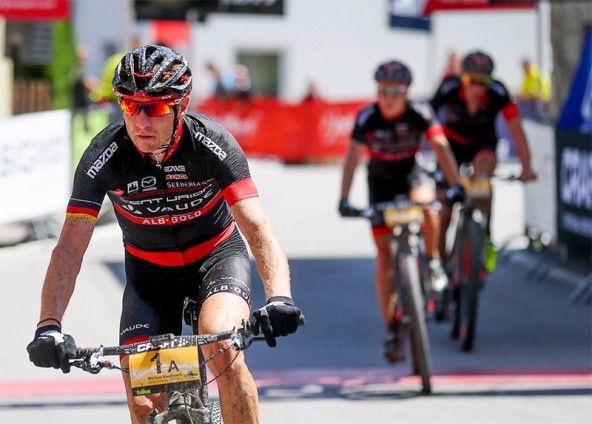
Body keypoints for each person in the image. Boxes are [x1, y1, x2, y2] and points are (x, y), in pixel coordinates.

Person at [26, 45, 304, 424]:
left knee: (221, 342)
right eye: (129, 106)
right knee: (142, 399)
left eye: (154, 108)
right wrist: (49, 326)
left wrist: (279, 299)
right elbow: (70, 247)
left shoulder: (211, 143)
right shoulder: (104, 155)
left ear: (181, 105)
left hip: (216, 257)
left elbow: (256, 225)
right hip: (149, 273)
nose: (140, 121)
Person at [338, 60, 464, 362]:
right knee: (384, 259)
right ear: (377, 90)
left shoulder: (419, 111)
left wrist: (457, 184)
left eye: (397, 91)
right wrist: (344, 198)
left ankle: (433, 264)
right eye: (384, 90)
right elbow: (352, 159)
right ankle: (392, 330)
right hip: (379, 182)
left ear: (407, 92)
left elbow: (441, 146)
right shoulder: (367, 116)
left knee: (428, 205)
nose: (390, 97)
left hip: (412, 175)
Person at [431, 50, 537, 272]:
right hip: (452, 147)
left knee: (482, 184)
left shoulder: (498, 92)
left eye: (483, 83)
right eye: (471, 81)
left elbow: (516, 130)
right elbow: (426, 121)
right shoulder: (449, 87)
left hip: (483, 145)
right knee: (445, 210)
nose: (477, 89)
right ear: (462, 78)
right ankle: (438, 265)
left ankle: (485, 237)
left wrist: (527, 167)